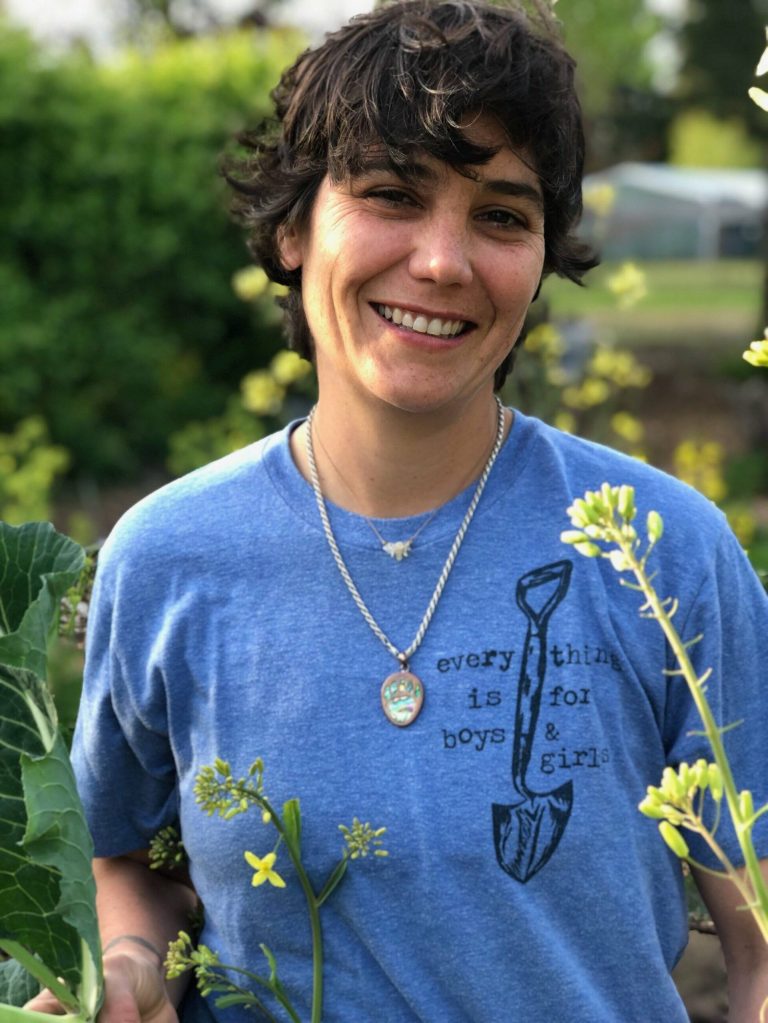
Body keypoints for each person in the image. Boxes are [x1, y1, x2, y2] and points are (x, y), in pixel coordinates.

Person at [27, 0, 768, 1020]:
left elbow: (762, 948)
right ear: (292, 228)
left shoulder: (659, 553)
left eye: (501, 216)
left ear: (542, 259)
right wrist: (127, 960)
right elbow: (125, 856)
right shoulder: (166, 558)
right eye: (391, 194)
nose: (443, 262)